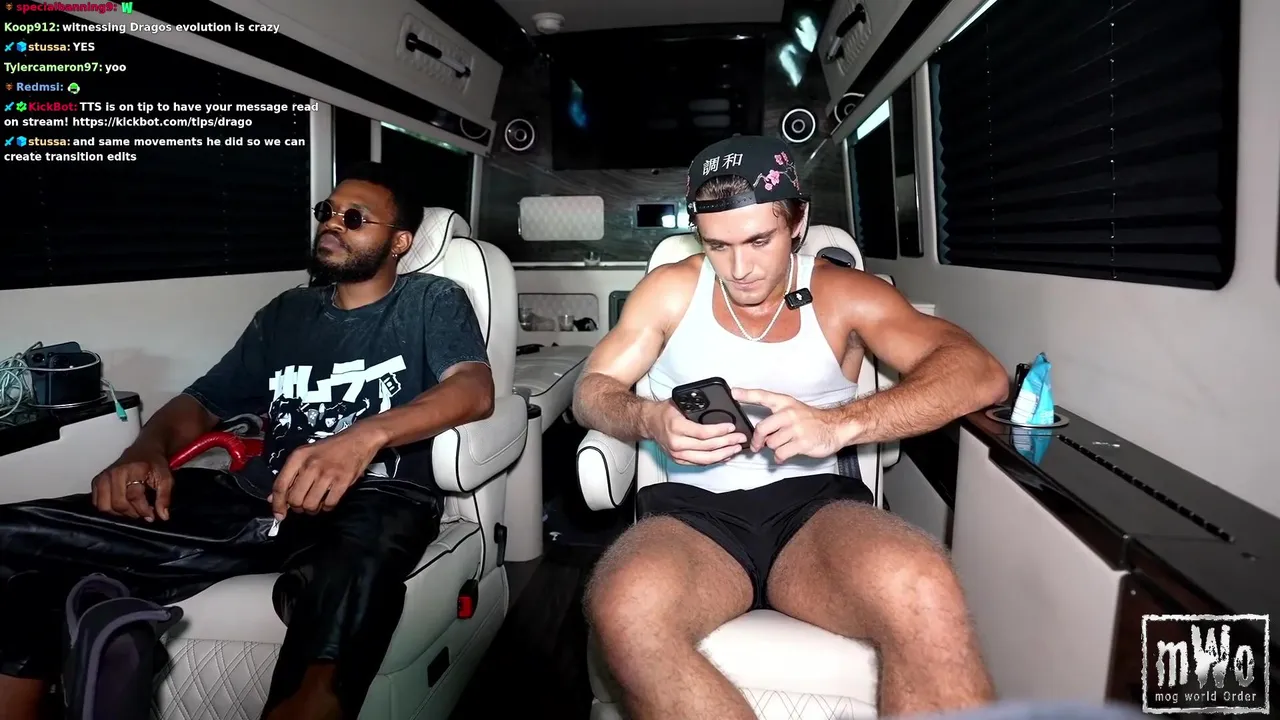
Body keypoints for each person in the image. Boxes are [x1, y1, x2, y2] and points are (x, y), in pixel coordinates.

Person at [0, 161, 495, 720]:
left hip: (376, 498)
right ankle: (103, 655)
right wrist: (143, 451)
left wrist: (362, 439)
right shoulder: (285, 313)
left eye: (354, 218)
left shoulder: (430, 300)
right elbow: (202, 402)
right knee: (15, 537)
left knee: (349, 578)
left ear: (399, 242)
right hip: (253, 496)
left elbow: (473, 388)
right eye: (327, 212)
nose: (332, 224)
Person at [572, 135, 1010, 719]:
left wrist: (838, 424)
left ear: (797, 222)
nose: (741, 269)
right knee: (624, 608)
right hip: (691, 518)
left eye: (759, 240)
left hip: (816, 512)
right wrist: (647, 417)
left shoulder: (844, 294)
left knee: (923, 587)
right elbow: (592, 391)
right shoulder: (671, 290)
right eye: (718, 245)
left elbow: (979, 373)